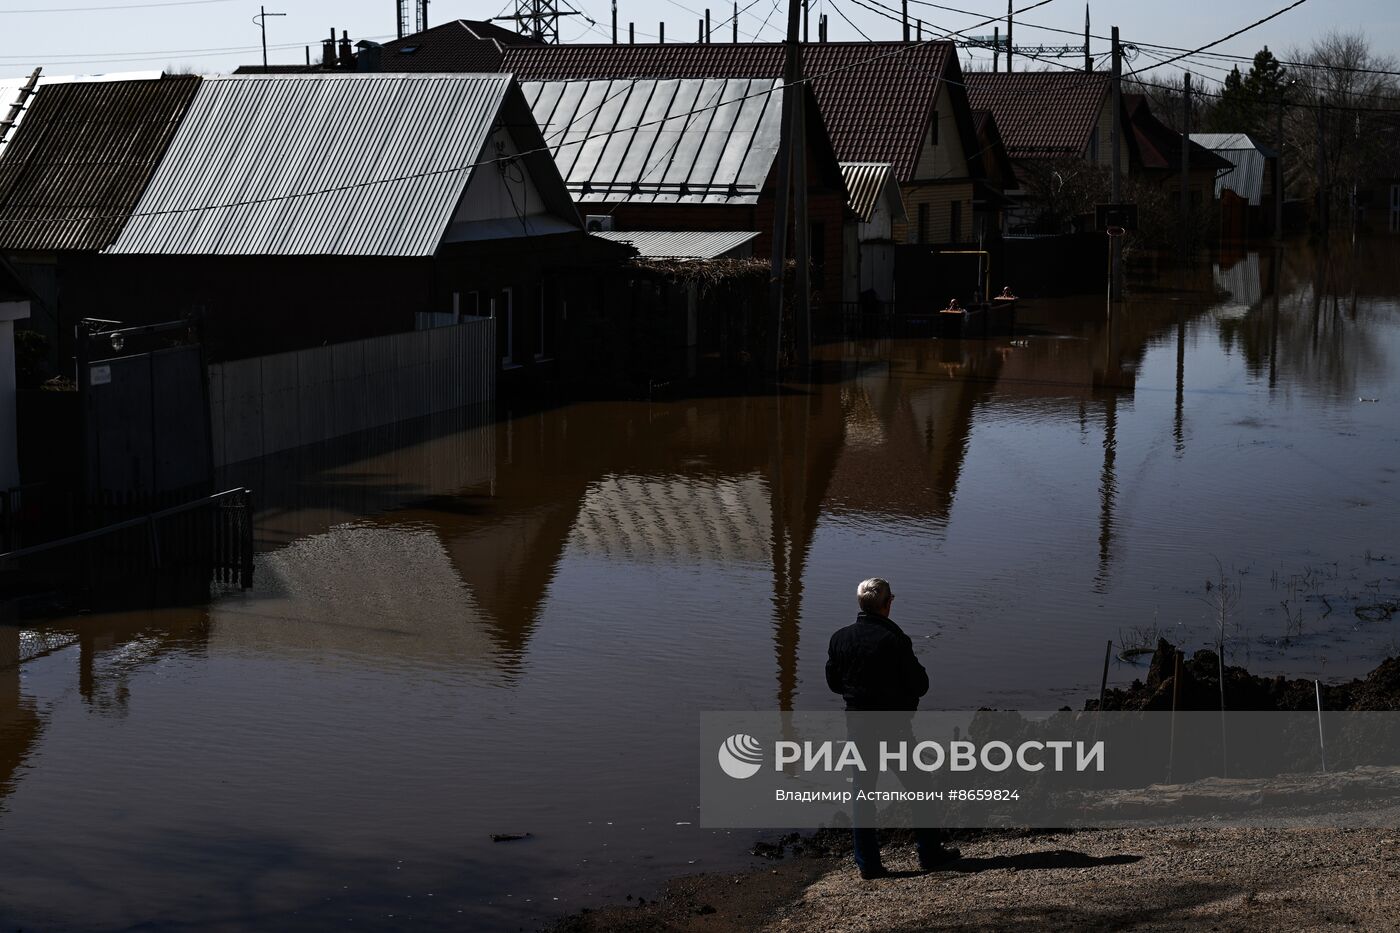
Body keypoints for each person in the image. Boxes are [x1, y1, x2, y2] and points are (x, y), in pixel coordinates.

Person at [826, 578, 960, 879]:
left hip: (858, 724)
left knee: (863, 793)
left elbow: (834, 683)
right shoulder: (894, 639)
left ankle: (868, 864)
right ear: (887, 604)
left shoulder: (839, 638)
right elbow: (920, 685)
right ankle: (929, 853)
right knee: (920, 787)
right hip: (893, 726)